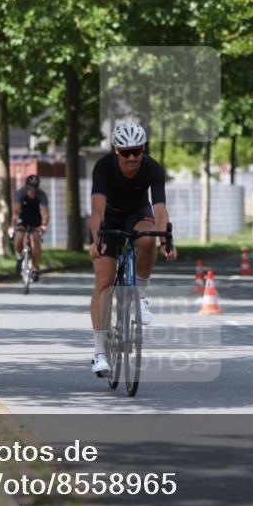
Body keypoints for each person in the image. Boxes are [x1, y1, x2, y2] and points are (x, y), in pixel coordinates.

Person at [88, 123, 177, 376]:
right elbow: (97, 210)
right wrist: (97, 240)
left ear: (143, 150)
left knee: (148, 238)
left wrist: (165, 242)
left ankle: (140, 294)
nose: (131, 158)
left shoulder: (152, 168)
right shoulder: (103, 167)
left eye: (136, 151)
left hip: (138, 214)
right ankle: (100, 354)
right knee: (104, 282)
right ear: (116, 150)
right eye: (125, 152)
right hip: (109, 218)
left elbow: (160, 209)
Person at [9, 174, 49, 280]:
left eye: (34, 190)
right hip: (23, 217)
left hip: (35, 219)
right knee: (19, 236)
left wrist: (44, 225)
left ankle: (35, 268)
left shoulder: (41, 195)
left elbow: (45, 213)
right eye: (30, 189)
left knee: (36, 238)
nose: (32, 192)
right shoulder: (20, 194)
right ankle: (19, 256)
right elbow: (16, 212)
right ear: (26, 188)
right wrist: (12, 226)